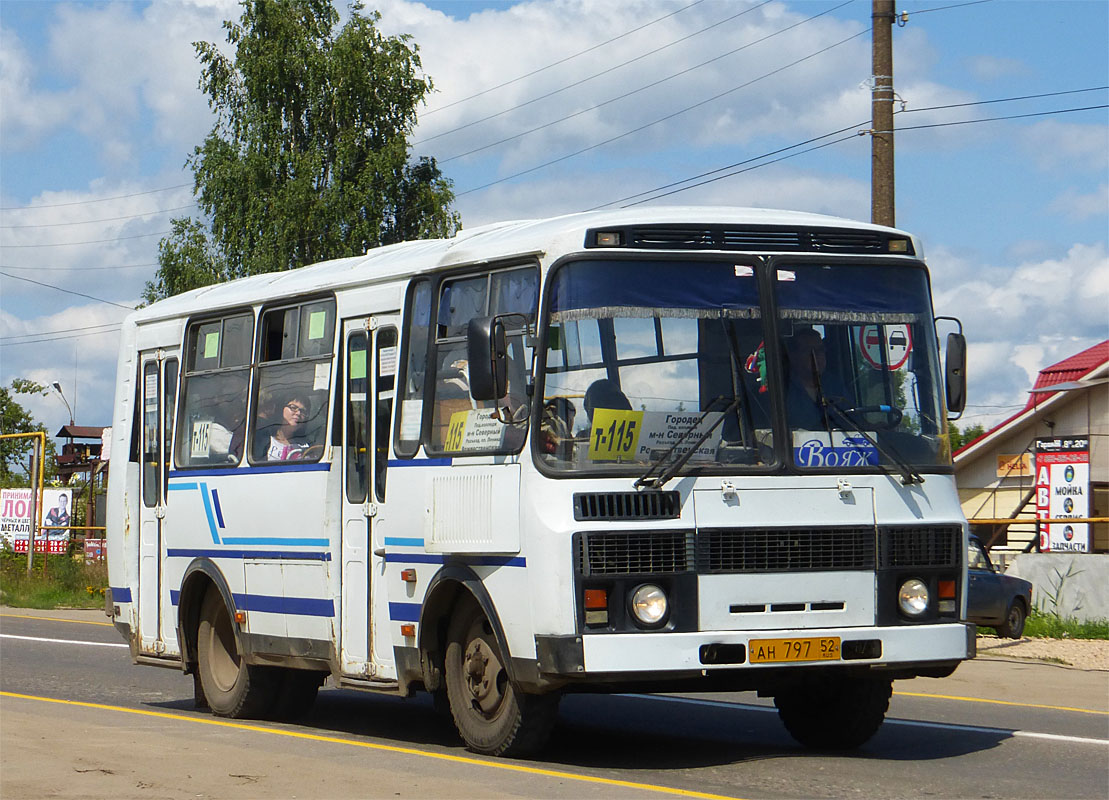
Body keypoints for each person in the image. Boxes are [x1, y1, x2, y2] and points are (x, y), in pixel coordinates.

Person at [784, 328, 829, 430]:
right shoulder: (781, 389)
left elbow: (855, 420)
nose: (818, 356)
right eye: (809, 351)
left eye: (821, 350)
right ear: (793, 356)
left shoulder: (835, 385)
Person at [255, 389, 314, 461]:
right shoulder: (262, 438)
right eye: (293, 408)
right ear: (281, 409)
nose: (298, 413)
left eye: (303, 411)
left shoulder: (307, 446)